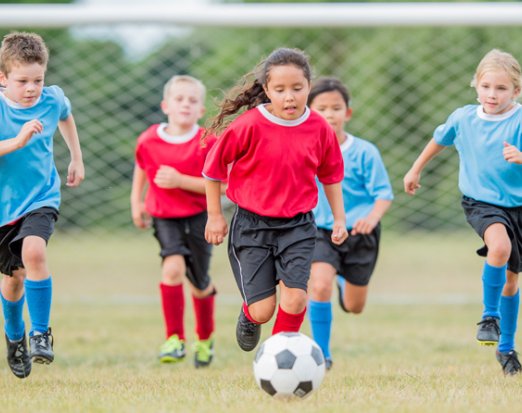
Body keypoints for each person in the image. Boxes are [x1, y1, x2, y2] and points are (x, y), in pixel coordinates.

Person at [202, 47, 348, 353]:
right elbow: (212, 170)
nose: (289, 97)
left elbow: (331, 176)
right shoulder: (249, 126)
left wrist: (339, 218)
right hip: (252, 226)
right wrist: (215, 216)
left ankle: (277, 356)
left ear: (309, 86)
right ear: (266, 90)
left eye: (297, 88)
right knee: (263, 310)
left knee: (295, 298)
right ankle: (248, 314)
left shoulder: (320, 128)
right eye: (279, 90)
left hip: (298, 225)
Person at [404, 49, 522, 376]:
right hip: (481, 201)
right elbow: (439, 139)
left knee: (512, 280)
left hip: (519, 205)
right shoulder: (464, 118)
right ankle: (489, 317)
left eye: (501, 88)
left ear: (516, 90)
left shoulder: (520, 119)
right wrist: (415, 170)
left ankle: (506, 347)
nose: (492, 94)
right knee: (499, 247)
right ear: (476, 85)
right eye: (486, 86)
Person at [0, 32, 84, 379]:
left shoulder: (52, 100)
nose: (32, 88)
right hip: (4, 208)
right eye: (22, 81)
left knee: (34, 253)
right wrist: (17, 141)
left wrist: (76, 158)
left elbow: (65, 115)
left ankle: (41, 333)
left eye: (38, 80)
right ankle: (15, 334)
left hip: (41, 197)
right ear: (2, 78)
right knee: (12, 280)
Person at [131, 75, 218, 368]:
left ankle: (205, 339)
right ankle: (174, 339)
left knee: (200, 283)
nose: (185, 105)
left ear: (201, 110)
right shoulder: (149, 139)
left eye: (192, 101)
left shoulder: (208, 141)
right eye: (179, 99)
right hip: (164, 215)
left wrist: (181, 181)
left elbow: (223, 186)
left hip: (200, 217)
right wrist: (136, 201)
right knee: (172, 269)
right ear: (166, 105)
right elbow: (142, 168)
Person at [307, 77, 393, 370]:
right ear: (309, 112)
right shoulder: (305, 150)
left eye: (336, 108)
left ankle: (344, 280)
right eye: (321, 108)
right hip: (321, 231)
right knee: (318, 286)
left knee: (355, 307)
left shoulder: (365, 152)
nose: (329, 114)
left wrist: (371, 218)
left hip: (359, 233)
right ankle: (322, 355)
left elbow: (383, 194)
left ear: (348, 113)